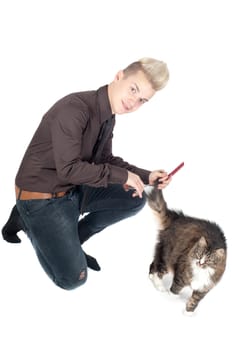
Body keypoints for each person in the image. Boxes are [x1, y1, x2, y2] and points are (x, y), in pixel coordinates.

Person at [2, 57, 171, 290]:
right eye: (134, 90)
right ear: (119, 76)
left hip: (73, 190)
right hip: (42, 199)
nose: (133, 102)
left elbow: (105, 160)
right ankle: (27, 220)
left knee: (135, 197)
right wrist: (122, 177)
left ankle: (72, 241)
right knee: (73, 279)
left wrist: (146, 176)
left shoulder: (108, 117)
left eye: (142, 100)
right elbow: (69, 169)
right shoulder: (76, 109)